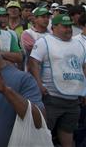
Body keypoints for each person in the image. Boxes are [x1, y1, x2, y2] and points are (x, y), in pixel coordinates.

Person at [29, 13, 86, 147]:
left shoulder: (79, 44)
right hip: (51, 97)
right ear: (54, 27)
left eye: (70, 26)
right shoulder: (44, 42)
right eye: (64, 26)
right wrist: (38, 83)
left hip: (73, 100)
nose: (68, 29)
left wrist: (84, 90)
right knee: (45, 132)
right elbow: (33, 63)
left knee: (68, 130)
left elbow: (83, 68)